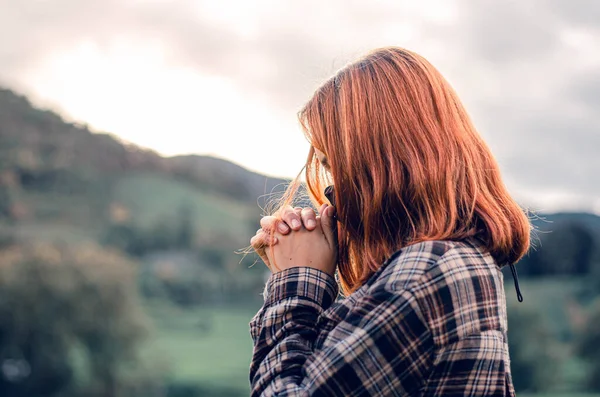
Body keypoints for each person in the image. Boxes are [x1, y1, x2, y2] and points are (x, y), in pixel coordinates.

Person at [249, 47, 530, 396]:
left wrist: (295, 284)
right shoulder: (453, 261)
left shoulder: (425, 273)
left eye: (334, 164)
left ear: (378, 165)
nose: (332, 192)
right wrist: (296, 275)